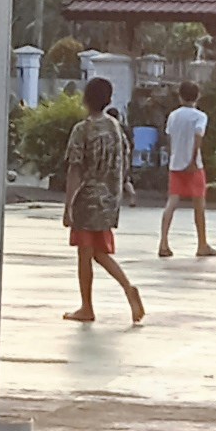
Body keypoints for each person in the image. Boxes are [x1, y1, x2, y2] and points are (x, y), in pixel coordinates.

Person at [60, 74, 146, 327]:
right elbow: (125, 162)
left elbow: (75, 169)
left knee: (85, 254)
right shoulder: (116, 128)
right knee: (99, 252)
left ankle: (87, 306)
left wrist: (68, 205)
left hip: (87, 198)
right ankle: (127, 288)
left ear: (86, 99)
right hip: (109, 197)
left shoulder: (82, 129)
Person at [156, 81, 216, 262]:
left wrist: (173, 157)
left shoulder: (173, 116)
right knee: (199, 205)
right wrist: (192, 159)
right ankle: (202, 244)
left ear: (180, 96)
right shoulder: (199, 116)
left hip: (175, 164)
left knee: (172, 202)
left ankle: (163, 242)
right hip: (194, 165)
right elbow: (198, 137)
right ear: (198, 96)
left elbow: (169, 139)